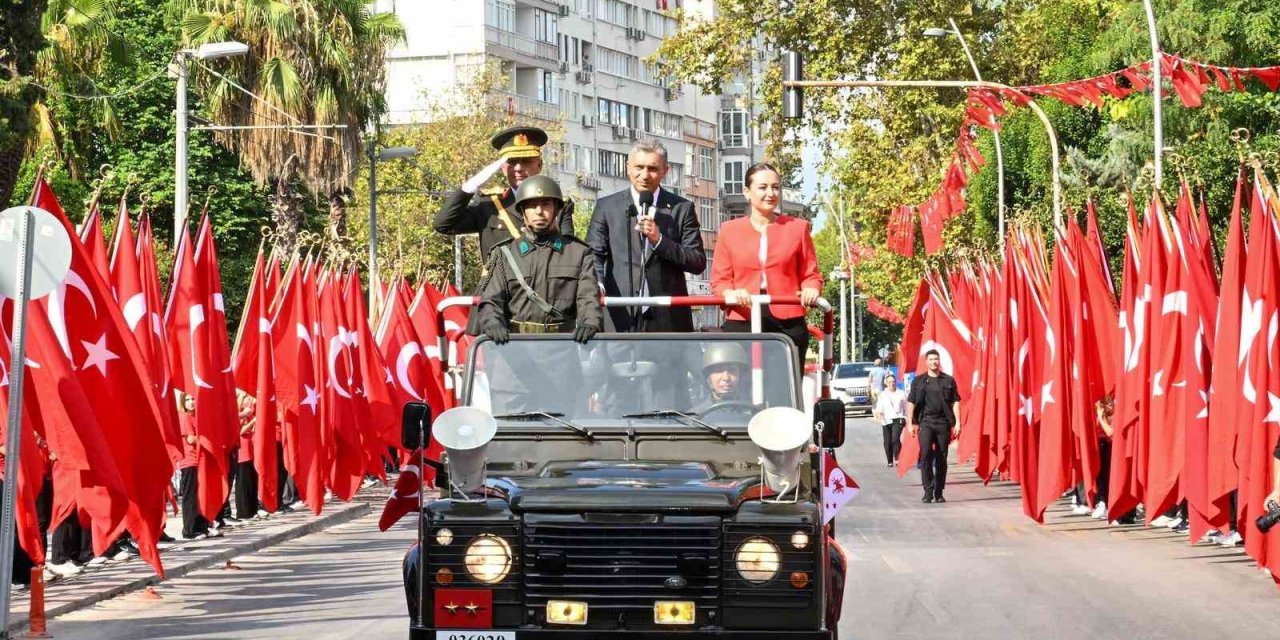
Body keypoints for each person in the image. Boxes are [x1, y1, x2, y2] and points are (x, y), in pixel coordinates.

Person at [711, 162, 821, 370]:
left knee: (783, 388)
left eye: (775, 187)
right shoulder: (729, 230)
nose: (770, 193)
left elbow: (811, 274)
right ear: (747, 192)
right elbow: (719, 279)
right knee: (741, 388)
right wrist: (730, 293)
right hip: (743, 315)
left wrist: (811, 288)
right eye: (763, 187)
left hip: (787, 319)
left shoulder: (797, 228)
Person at [587, 139, 706, 332]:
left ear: (664, 171)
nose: (644, 175)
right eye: (639, 167)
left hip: (668, 320)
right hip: (620, 315)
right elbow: (594, 254)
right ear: (628, 168)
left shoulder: (682, 208)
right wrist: (597, 286)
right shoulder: (607, 207)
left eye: (652, 168)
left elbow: (697, 262)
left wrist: (660, 241)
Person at [475, 175, 603, 342]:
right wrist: (492, 323)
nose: (539, 211)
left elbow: (588, 298)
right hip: (514, 346)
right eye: (532, 205)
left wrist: (590, 323)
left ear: (556, 209)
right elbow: (491, 300)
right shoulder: (505, 253)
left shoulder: (578, 253)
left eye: (546, 204)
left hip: (562, 347)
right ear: (522, 211)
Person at [434, 125, 575, 263]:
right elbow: (443, 225)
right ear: (502, 168)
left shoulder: (558, 205)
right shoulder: (489, 205)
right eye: (511, 162)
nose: (518, 168)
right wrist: (469, 188)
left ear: (539, 165)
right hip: (498, 285)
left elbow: (567, 253)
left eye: (525, 161)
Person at [906, 349, 960, 504]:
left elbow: (955, 401)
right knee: (926, 455)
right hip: (926, 422)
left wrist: (958, 422)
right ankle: (928, 491)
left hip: (943, 423)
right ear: (926, 362)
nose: (934, 362)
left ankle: (939, 491)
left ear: (939, 361)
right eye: (931, 359)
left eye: (936, 359)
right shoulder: (919, 381)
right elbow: (911, 402)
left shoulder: (948, 380)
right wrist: (910, 423)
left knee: (942, 458)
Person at [694, 342, 750, 413]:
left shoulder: (754, 416)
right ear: (709, 377)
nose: (726, 378)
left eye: (732, 370)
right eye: (718, 370)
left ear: (740, 376)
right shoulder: (694, 417)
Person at [874, 372, 907, 468]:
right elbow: (879, 407)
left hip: (898, 418)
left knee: (895, 439)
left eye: (893, 382)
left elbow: (906, 407)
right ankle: (889, 460)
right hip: (886, 420)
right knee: (887, 442)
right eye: (889, 382)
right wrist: (879, 413)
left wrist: (908, 418)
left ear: (896, 382)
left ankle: (898, 458)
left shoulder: (901, 393)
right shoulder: (883, 394)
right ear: (886, 383)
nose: (892, 384)